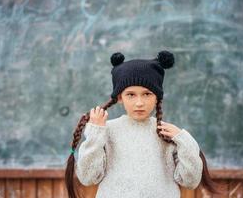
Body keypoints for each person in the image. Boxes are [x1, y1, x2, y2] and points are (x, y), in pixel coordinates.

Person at [65, 50, 218, 198]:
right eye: (130, 95)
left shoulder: (167, 133)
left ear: (157, 97)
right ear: (119, 97)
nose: (139, 103)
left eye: (147, 94)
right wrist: (95, 133)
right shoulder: (107, 131)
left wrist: (184, 139)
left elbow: (190, 181)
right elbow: (87, 177)